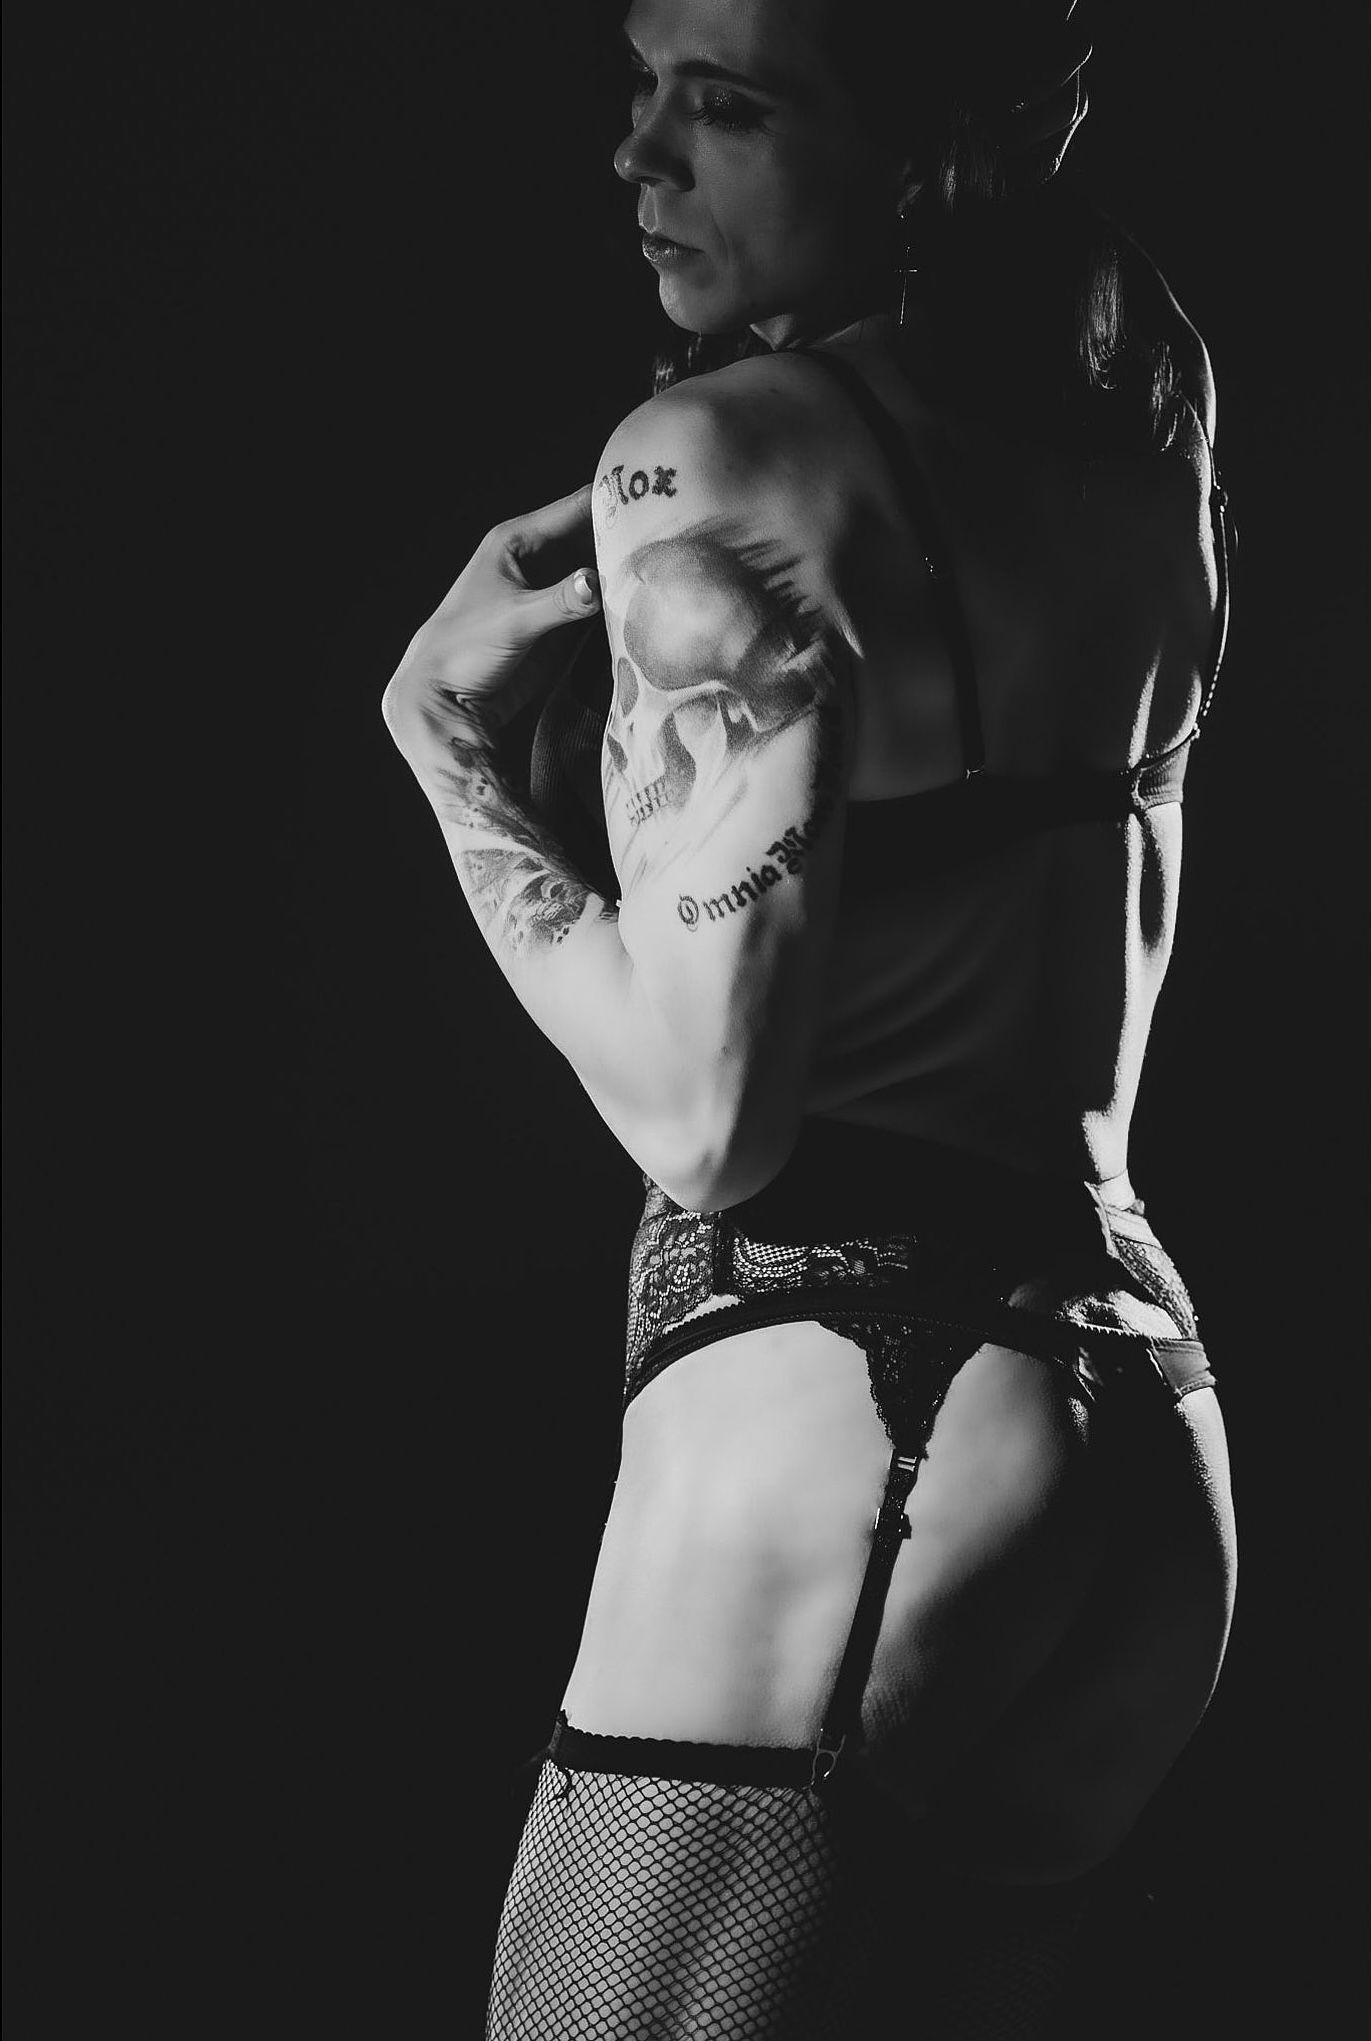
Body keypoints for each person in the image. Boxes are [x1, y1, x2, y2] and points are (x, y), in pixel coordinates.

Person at [381, 1, 1238, 2032]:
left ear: (919, 151)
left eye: (731, 105)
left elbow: (709, 1118)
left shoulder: (719, 457)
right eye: (642, 84)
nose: (640, 155)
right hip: (1135, 1439)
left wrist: (443, 746)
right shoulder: (1140, 390)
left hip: (848, 1419)